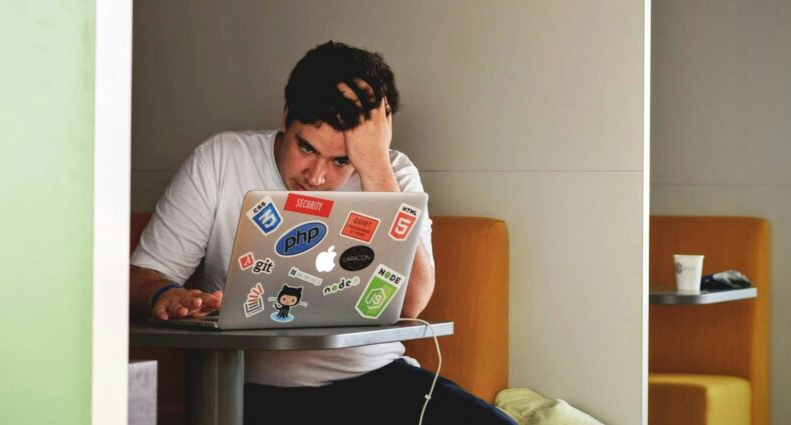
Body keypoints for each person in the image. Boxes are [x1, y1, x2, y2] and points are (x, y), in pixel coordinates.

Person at [129, 41, 516, 425]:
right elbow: (139, 278)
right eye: (306, 147)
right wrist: (167, 294)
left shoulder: (393, 174)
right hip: (253, 391)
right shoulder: (221, 160)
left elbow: (412, 302)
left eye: (341, 160)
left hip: (376, 378)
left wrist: (374, 167)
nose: (316, 176)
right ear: (285, 118)